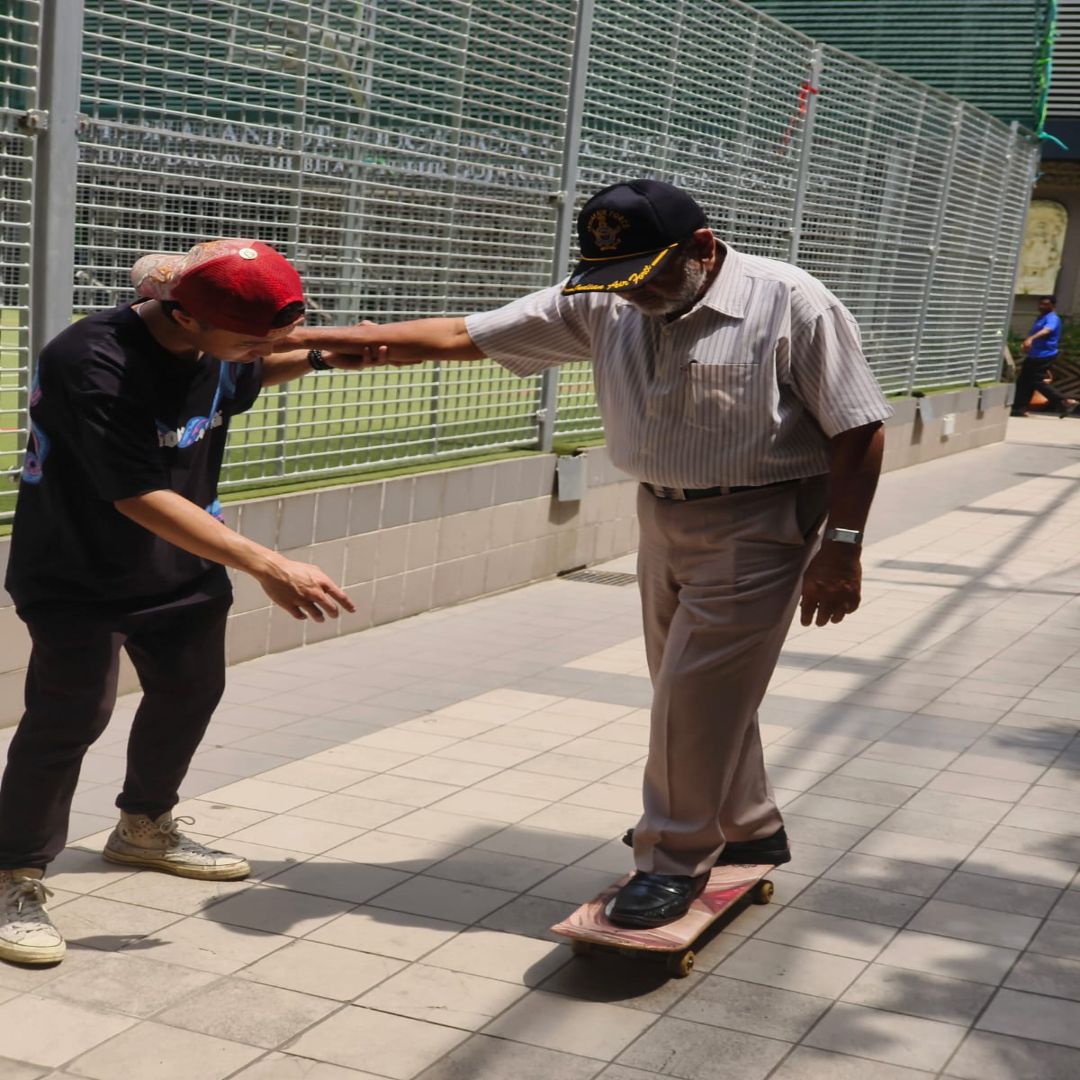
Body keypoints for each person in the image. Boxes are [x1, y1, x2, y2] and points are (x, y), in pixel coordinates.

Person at [284, 179, 893, 929]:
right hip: (663, 512)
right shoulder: (611, 298)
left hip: (763, 518)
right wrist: (331, 345)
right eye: (615, 281)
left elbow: (857, 427)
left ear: (702, 249)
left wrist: (844, 544)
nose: (630, 298)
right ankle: (752, 825)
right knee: (692, 687)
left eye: (647, 278)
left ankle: (672, 858)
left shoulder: (790, 302)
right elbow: (464, 335)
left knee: (694, 694)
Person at [0, 239, 363, 966]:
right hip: (76, 568)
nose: (267, 348)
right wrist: (267, 562)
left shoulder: (216, 347)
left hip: (182, 565)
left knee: (192, 689)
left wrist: (326, 355)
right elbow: (135, 491)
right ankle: (15, 873)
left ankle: (143, 826)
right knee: (71, 713)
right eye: (250, 339)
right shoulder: (90, 359)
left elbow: (250, 372)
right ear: (184, 317)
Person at [1011, 295, 1075, 417]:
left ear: (1053, 306)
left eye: (1046, 304)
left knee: (1036, 381)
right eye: (1041, 304)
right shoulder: (1041, 317)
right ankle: (1019, 408)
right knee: (1024, 381)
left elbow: (1047, 330)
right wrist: (1027, 344)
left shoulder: (1052, 318)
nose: (1042, 306)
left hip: (1044, 354)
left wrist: (1031, 338)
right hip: (1034, 354)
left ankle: (1065, 401)